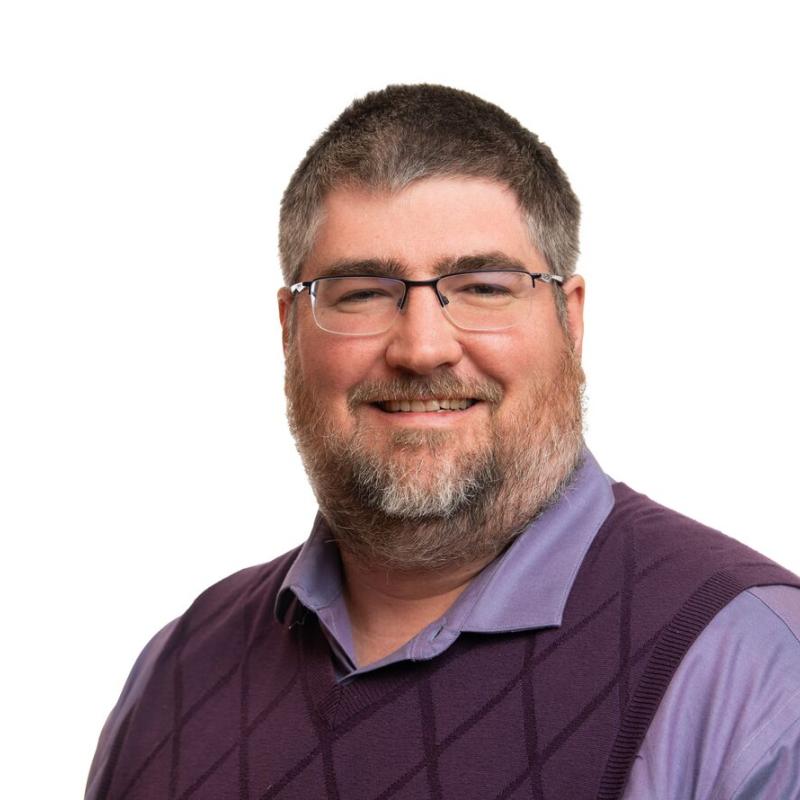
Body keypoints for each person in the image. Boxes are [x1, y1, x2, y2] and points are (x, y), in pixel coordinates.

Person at [86, 84, 800, 800]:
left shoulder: (751, 669)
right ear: (288, 329)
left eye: (485, 287)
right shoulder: (176, 677)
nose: (422, 348)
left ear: (570, 320)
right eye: (362, 291)